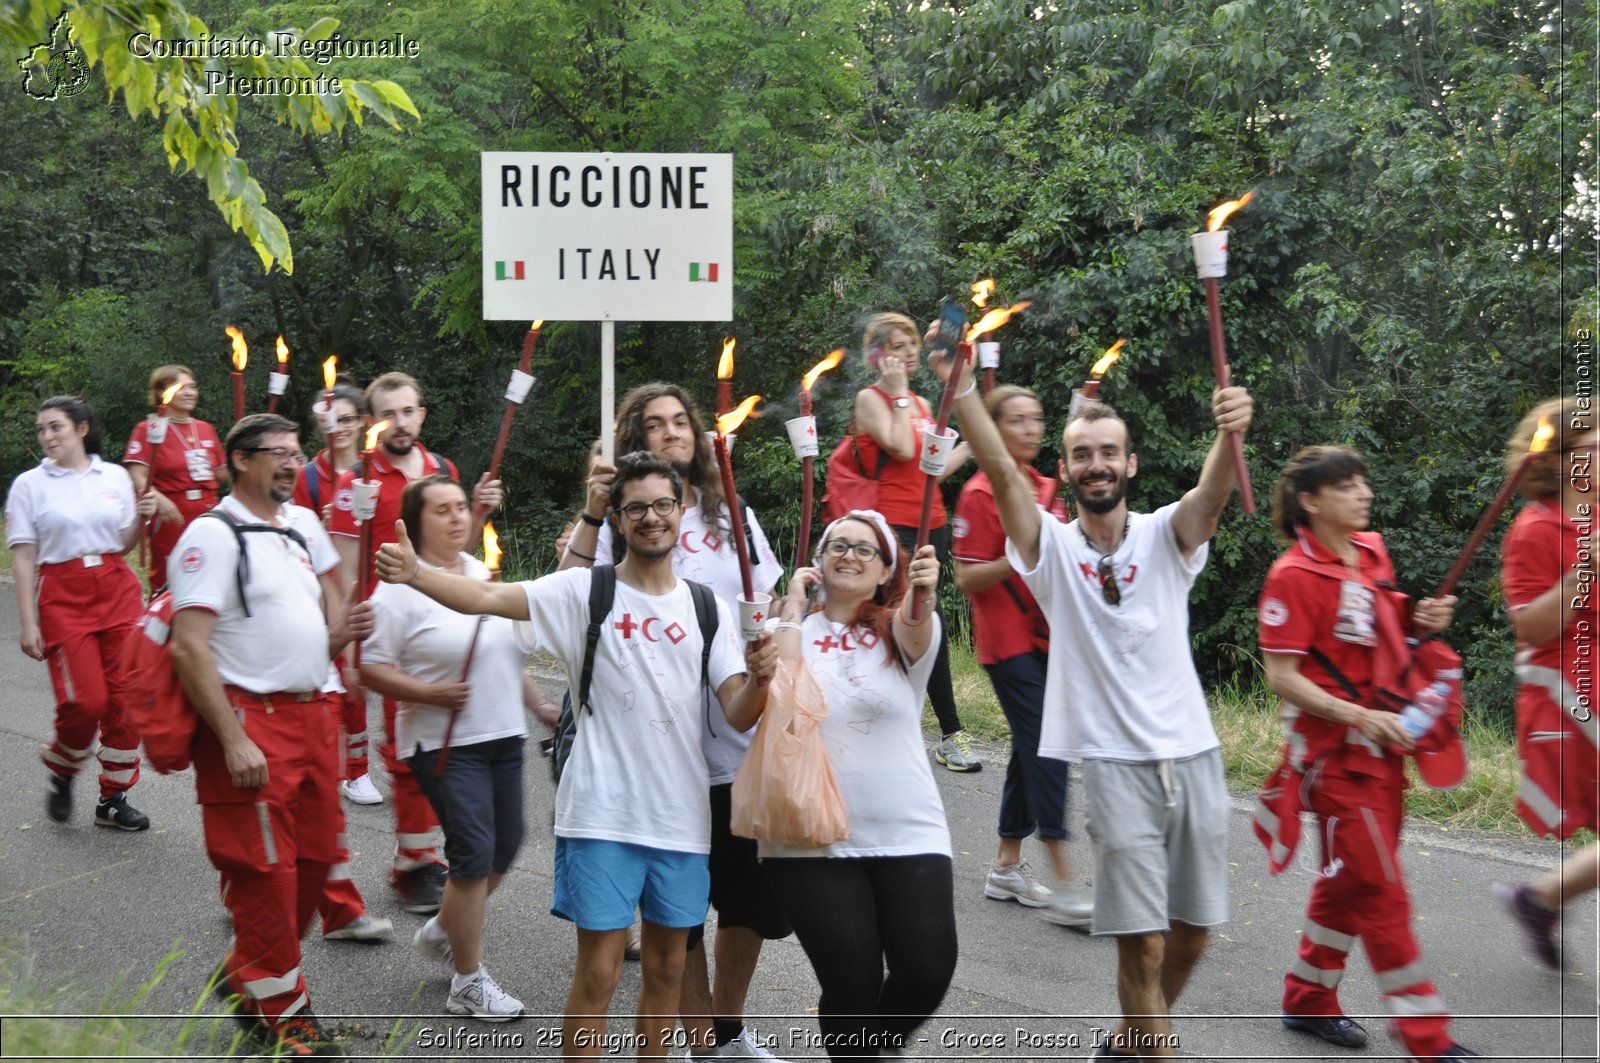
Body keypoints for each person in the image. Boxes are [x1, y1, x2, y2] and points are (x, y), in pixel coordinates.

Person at [376, 450, 774, 1062]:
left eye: (662, 505)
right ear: (616, 516)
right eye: (635, 507)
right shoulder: (584, 593)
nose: (650, 517)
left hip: (681, 820)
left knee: (667, 973)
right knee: (601, 974)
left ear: (680, 511)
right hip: (602, 815)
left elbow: (737, 709)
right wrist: (417, 575)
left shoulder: (707, 608)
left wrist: (763, 678)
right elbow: (489, 599)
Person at [937, 347, 1249, 1062]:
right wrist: (957, 395)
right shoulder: (1048, 549)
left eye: (1110, 452)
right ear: (1069, 469)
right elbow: (1006, 474)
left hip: (1194, 754)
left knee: (1192, 932)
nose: (1097, 464)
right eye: (1082, 455)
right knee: (1142, 944)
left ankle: (1125, 1042)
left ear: (1130, 465)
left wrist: (1231, 433)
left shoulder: (1166, 535)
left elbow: (1210, 496)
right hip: (1114, 764)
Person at [562, 384, 791, 1059]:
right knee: (679, 914)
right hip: (660, 748)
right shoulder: (621, 518)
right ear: (637, 440)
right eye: (654, 425)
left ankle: (727, 1027)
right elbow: (573, 594)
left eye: (680, 422)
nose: (672, 433)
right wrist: (593, 505)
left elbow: (770, 597)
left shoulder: (735, 516)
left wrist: (774, 630)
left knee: (751, 900)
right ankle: (697, 1038)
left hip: (739, 735)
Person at [1255, 446, 1474, 1061]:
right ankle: (1427, 1039)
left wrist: (1420, 617)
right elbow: (1282, 675)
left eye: (1363, 484)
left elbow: (1386, 627)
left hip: (1385, 754)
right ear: (1311, 501)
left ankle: (1307, 998)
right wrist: (1359, 716)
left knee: (1350, 880)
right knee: (1381, 891)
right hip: (1334, 763)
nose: (1364, 494)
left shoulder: (1371, 550)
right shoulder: (1292, 575)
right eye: (1348, 486)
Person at [167, 413, 373, 1057]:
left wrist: (343, 635)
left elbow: (309, 625)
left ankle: (245, 976)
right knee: (266, 876)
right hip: (251, 726)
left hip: (313, 719)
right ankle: (291, 1020)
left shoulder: (298, 529)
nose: (291, 462)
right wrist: (232, 739)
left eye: (294, 452)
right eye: (276, 454)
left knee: (313, 869)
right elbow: (189, 646)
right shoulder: (212, 535)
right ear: (239, 460)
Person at [764, 511, 957, 1060]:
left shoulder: (900, 630)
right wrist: (793, 613)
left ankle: (872, 1049)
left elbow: (919, 619)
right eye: (837, 545)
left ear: (884, 572)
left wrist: (924, 589)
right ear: (818, 562)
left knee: (927, 970)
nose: (849, 554)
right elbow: (774, 696)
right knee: (851, 983)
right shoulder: (789, 628)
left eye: (865, 550)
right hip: (808, 837)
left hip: (907, 831)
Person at [362, 476, 538, 1021]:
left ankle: (444, 926)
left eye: (462, 507)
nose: (458, 517)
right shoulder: (397, 588)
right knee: (473, 854)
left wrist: (540, 704)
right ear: (416, 524)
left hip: (503, 732)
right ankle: (468, 980)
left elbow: (500, 651)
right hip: (442, 743)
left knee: (507, 844)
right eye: (442, 510)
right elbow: (370, 668)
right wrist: (429, 692)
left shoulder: (482, 575)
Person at [327, 371, 501, 915]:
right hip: (390, 624)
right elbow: (341, 567)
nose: (399, 422)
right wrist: (348, 646)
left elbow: (459, 546)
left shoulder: (440, 470)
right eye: (388, 413)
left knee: (441, 740)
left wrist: (479, 511)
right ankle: (416, 862)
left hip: (444, 616)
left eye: (408, 411)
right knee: (408, 748)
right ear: (372, 421)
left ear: (422, 414)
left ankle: (420, 856)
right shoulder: (356, 480)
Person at [951, 384, 1090, 927]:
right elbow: (965, 576)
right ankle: (1064, 879)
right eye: (1017, 420)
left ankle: (1006, 864)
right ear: (993, 428)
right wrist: (1024, 553)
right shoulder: (982, 493)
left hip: (1049, 637)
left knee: (1030, 748)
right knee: (1047, 748)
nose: (1031, 429)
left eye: (1037, 419)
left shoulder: (1049, 488)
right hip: (1006, 642)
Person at [7, 396, 152, 830]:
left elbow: (123, 543)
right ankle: (64, 771)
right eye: (41, 430)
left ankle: (114, 797)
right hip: (63, 595)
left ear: (82, 429)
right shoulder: (30, 485)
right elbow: (23, 555)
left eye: (56, 427)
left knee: (125, 702)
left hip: (116, 587)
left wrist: (142, 520)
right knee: (85, 700)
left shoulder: (114, 476)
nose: (47, 436)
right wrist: (28, 622)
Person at [1496, 398, 1600, 972]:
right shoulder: (1534, 530)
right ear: (1560, 462)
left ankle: (1539, 900)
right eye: (1594, 446)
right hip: (1567, 687)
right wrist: (1584, 569)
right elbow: (1532, 626)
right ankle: (1539, 900)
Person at [852, 312, 979, 772]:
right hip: (892, 529)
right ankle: (949, 731)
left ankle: (904, 724)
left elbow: (932, 470)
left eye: (910, 344)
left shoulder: (923, 404)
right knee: (918, 620)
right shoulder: (872, 399)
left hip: (933, 524)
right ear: (877, 356)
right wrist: (901, 394)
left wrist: (973, 448)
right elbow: (902, 450)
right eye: (897, 345)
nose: (907, 352)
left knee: (917, 622)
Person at [294, 382, 381, 805]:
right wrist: (323, 525)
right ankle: (353, 770)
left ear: (364, 422)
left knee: (364, 677)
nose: (341, 427)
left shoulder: (377, 469)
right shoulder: (307, 477)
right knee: (342, 680)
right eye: (333, 420)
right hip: (322, 592)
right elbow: (289, 532)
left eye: (348, 419)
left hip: (375, 587)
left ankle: (367, 766)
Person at [124, 365, 228, 594]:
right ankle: (163, 622)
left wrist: (248, 458)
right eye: (182, 388)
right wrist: (160, 501)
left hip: (209, 509)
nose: (190, 393)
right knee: (173, 573)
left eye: (193, 387)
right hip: (173, 514)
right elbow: (137, 474)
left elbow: (222, 473)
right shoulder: (148, 428)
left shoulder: (205, 429)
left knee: (214, 567)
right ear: (164, 392)